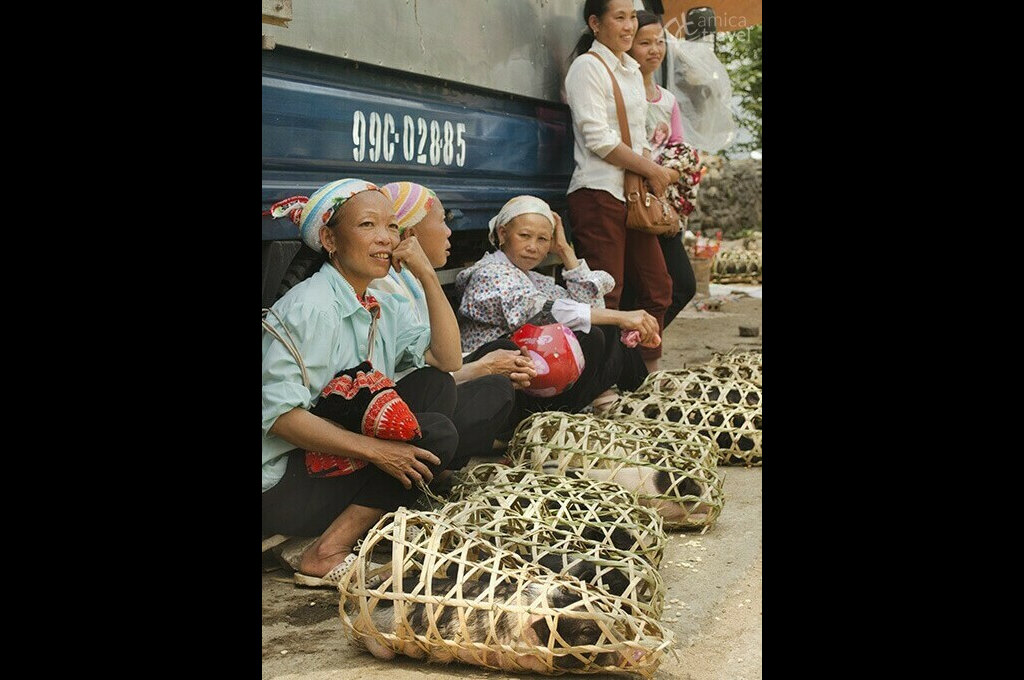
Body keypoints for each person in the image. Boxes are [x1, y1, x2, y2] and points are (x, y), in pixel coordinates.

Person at [262, 178, 463, 587]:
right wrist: (377, 453)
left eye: (392, 227)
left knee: (434, 386)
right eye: (367, 226)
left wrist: (425, 273)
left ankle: (376, 506)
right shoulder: (313, 307)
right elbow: (280, 417)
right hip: (282, 485)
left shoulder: (379, 303)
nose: (384, 238)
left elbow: (448, 358)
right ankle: (326, 551)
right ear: (329, 239)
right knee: (436, 435)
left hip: (326, 460)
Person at [370, 181, 528, 466]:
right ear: (411, 235)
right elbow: (419, 376)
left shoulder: (408, 279)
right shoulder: (386, 287)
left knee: (508, 352)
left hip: (428, 385)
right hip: (405, 402)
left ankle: (474, 448)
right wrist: (484, 367)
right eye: (443, 222)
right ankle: (457, 460)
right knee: (493, 387)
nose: (449, 231)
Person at [455, 195, 656, 418]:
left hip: (528, 376)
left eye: (543, 239)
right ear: (503, 234)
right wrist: (621, 317)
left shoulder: (534, 279)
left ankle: (644, 398)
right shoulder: (489, 273)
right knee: (594, 332)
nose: (533, 247)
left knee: (605, 328)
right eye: (524, 236)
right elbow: (542, 310)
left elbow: (590, 306)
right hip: (498, 388)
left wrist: (563, 249)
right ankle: (640, 402)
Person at [563, 0, 678, 373]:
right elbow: (597, 138)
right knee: (605, 298)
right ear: (595, 23)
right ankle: (601, 388)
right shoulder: (587, 68)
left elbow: (640, 135)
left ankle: (645, 376)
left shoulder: (630, 69)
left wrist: (653, 171)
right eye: (620, 17)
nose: (630, 26)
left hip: (630, 195)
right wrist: (651, 169)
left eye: (632, 17)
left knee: (657, 287)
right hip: (597, 194)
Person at [622, 9, 703, 328]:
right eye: (645, 43)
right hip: (632, 201)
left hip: (660, 206)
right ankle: (630, 357)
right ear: (628, 45)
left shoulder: (667, 100)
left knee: (681, 286)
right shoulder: (623, 93)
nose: (655, 50)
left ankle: (633, 352)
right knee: (647, 288)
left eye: (659, 42)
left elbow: (680, 148)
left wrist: (664, 175)